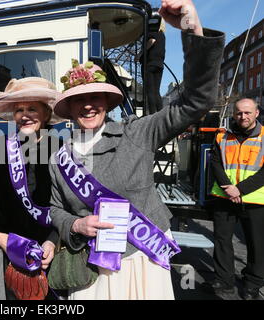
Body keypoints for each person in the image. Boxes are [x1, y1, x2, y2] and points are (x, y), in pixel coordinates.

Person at [47, 0, 224, 300]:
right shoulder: (58, 157)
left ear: (106, 102)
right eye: (79, 99)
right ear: (70, 107)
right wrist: (76, 224)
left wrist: (193, 28)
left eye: (96, 96)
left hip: (143, 257)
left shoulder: (137, 132)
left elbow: (197, 100)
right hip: (92, 266)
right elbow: (54, 209)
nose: (88, 104)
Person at [0, 77, 62, 300]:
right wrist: (13, 248)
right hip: (10, 253)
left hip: (53, 251)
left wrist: (52, 241)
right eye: (19, 109)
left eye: (32, 108)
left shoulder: (61, 149)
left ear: (46, 113)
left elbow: (69, 204)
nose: (24, 115)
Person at [207, 98, 264, 300]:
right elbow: (214, 163)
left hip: (255, 200)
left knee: (257, 244)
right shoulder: (222, 136)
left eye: (248, 112)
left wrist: (239, 190)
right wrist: (228, 189)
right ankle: (224, 281)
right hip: (224, 196)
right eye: (239, 113)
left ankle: (252, 284)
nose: (243, 116)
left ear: (256, 113)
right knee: (222, 241)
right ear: (234, 114)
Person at [138, 16, 166, 115]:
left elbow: (151, 41)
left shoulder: (149, 33)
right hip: (159, 65)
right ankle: (160, 114)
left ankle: (153, 115)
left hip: (149, 64)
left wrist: (140, 54)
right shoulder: (162, 35)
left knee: (149, 91)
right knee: (156, 92)